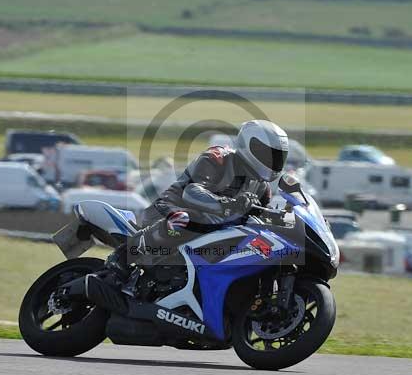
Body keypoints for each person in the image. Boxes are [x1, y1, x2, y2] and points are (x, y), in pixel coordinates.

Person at [104, 120, 289, 281]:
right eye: (269, 154)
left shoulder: (261, 186)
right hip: (168, 211)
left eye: (278, 156)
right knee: (186, 219)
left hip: (212, 230)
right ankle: (124, 255)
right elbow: (192, 192)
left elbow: (262, 216)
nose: (273, 162)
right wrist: (229, 204)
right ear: (250, 145)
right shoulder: (219, 158)